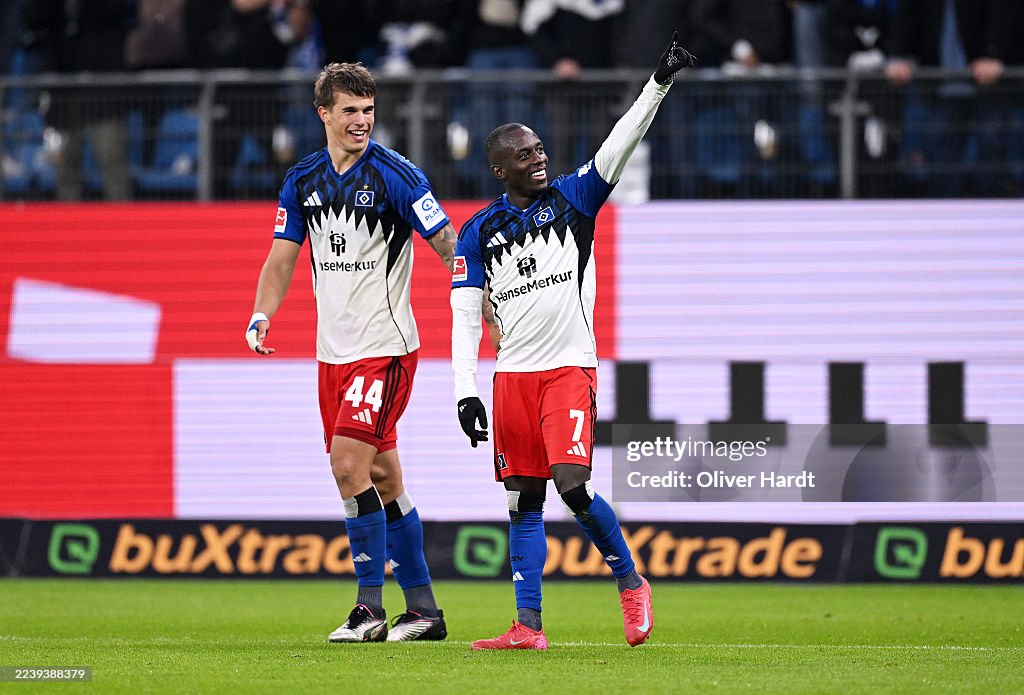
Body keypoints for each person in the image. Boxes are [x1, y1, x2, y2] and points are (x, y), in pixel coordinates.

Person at [450, 33, 695, 650]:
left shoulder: (576, 198)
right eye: (525, 154)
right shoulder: (477, 232)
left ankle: (631, 582)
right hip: (513, 379)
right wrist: (464, 391)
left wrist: (658, 82)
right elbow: (462, 316)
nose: (540, 158)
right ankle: (527, 627)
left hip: (567, 370)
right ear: (499, 168)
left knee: (571, 484)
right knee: (522, 498)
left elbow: (621, 139)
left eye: (540, 149)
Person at [246, 62, 458, 643]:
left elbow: (444, 240)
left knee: (346, 467)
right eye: (349, 111)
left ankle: (368, 609)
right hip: (332, 355)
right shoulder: (303, 179)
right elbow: (282, 256)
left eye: (368, 111)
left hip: (385, 350)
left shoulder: (397, 175)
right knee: (384, 478)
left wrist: (478, 301)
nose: (361, 121)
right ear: (324, 113)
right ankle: (424, 613)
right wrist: (263, 312)